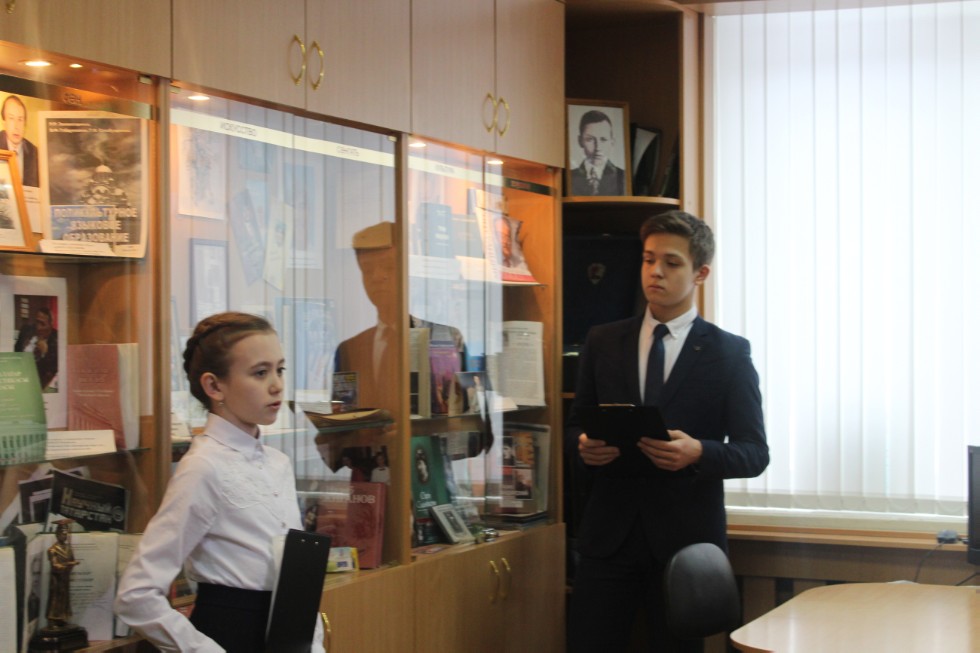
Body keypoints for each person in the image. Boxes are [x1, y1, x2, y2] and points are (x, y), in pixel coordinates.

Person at [566, 211, 769, 653]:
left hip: (685, 546)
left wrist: (699, 452)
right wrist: (583, 447)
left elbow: (755, 453)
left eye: (671, 263)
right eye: (648, 259)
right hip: (608, 539)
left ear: (701, 273)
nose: (655, 271)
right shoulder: (603, 340)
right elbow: (575, 425)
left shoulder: (729, 353)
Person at [115, 312, 324, 653]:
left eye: (280, 369)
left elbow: (294, 577)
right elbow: (135, 595)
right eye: (260, 372)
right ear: (214, 386)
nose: (276, 385)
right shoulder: (203, 467)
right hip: (228, 634)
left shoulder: (279, 464)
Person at [569, 109, 626, 196]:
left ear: (612, 142)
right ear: (580, 141)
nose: (598, 147)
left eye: (603, 139)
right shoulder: (569, 177)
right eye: (590, 139)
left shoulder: (623, 177)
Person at [45, 519, 80, 628]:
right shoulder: (52, 550)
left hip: (65, 578)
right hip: (57, 579)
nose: (65, 536)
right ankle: (52, 620)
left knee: (64, 599)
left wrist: (72, 564)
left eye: (66, 534)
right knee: (55, 599)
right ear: (57, 534)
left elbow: (72, 560)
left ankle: (61, 618)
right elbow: (55, 565)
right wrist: (68, 564)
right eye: (63, 534)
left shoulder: (69, 548)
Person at [15, 305, 58, 390]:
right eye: (37, 322)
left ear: (51, 325)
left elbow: (51, 372)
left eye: (43, 324)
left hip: (38, 384)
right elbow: (15, 353)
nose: (38, 327)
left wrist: (44, 353)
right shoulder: (25, 330)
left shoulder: (56, 340)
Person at [0, 94, 39, 187]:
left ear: (25, 124)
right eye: (11, 118)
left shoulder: (34, 153)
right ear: (4, 122)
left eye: (20, 119)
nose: (16, 126)